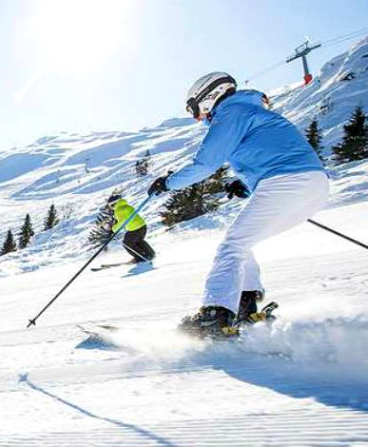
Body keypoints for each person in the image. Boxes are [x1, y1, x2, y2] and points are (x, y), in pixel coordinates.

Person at [148, 72, 327, 337]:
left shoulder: (231, 112)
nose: (198, 118)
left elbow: (206, 164)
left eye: (195, 110)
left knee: (232, 245)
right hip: (312, 185)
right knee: (243, 242)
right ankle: (245, 306)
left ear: (208, 97)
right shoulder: (249, 111)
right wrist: (246, 185)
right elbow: (271, 151)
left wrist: (168, 182)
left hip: (287, 183)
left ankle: (215, 314)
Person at [108, 193, 156, 263]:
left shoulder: (119, 210)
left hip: (134, 229)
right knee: (138, 241)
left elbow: (122, 222)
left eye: (111, 205)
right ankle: (150, 254)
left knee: (127, 244)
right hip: (142, 226)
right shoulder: (126, 206)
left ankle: (141, 257)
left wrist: (113, 230)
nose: (111, 207)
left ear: (113, 203)